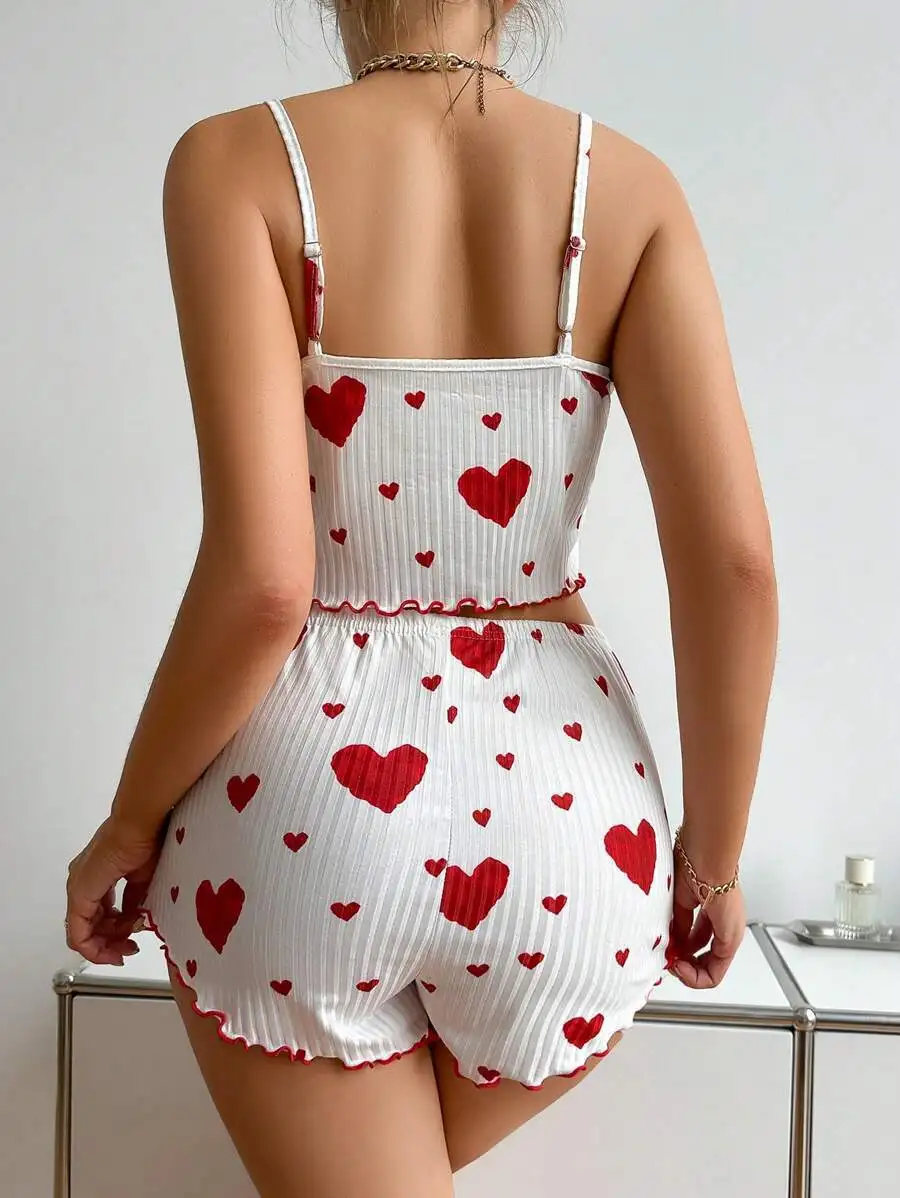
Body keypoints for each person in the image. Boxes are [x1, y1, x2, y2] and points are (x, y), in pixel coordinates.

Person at [64, 1, 779, 1194]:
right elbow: (737, 565)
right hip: (569, 823)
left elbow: (265, 581)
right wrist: (712, 864)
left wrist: (127, 826)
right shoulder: (630, 187)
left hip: (301, 815)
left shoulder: (237, 161)